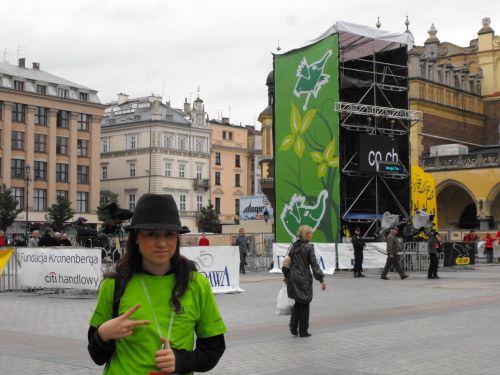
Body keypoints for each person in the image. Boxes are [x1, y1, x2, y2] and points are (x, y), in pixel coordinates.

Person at [88, 194, 226, 374]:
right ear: (136, 237)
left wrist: (181, 360)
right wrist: (102, 335)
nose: (162, 243)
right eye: (151, 234)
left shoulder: (197, 284)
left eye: (169, 234)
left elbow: (213, 349)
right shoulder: (114, 285)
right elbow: (97, 356)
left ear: (177, 238)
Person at [282, 225, 326, 337]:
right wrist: (321, 280)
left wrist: (286, 275)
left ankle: (293, 324)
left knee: (298, 301)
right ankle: (303, 330)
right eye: (310, 233)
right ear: (306, 235)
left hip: (293, 277)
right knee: (305, 303)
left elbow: (287, 262)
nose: (312, 235)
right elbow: (314, 265)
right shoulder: (309, 247)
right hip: (304, 278)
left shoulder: (293, 246)